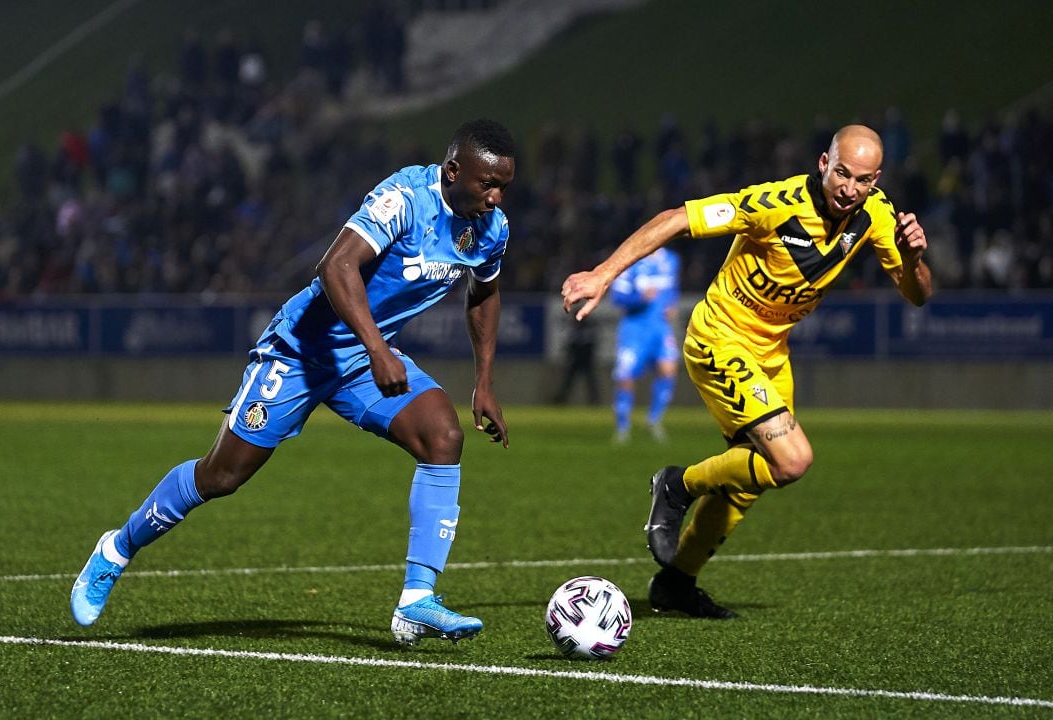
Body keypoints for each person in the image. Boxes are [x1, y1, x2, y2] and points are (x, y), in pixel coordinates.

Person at [70, 118, 517, 645]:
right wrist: (378, 350)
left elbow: (483, 294)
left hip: (362, 360)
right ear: (453, 170)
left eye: (504, 187)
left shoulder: (492, 229)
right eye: (486, 184)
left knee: (443, 437)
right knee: (221, 477)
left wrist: (483, 382)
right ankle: (116, 549)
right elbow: (337, 267)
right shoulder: (405, 198)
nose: (495, 197)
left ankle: (417, 600)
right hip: (302, 351)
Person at [562, 124, 931, 618]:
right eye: (841, 173)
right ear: (824, 162)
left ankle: (677, 582)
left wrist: (914, 257)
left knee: (751, 478)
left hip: (771, 353)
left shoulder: (878, 215)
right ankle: (677, 486)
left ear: (876, 179)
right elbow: (676, 219)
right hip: (719, 337)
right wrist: (602, 273)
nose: (849, 188)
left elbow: (918, 294)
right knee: (792, 460)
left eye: (862, 180)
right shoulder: (773, 204)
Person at [608, 247, 681, 442]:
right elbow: (617, 298)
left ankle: (654, 420)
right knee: (625, 377)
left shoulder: (671, 259)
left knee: (669, 369)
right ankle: (623, 428)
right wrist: (640, 298)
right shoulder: (629, 260)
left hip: (660, 327)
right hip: (634, 329)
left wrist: (672, 304)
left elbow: (672, 288)